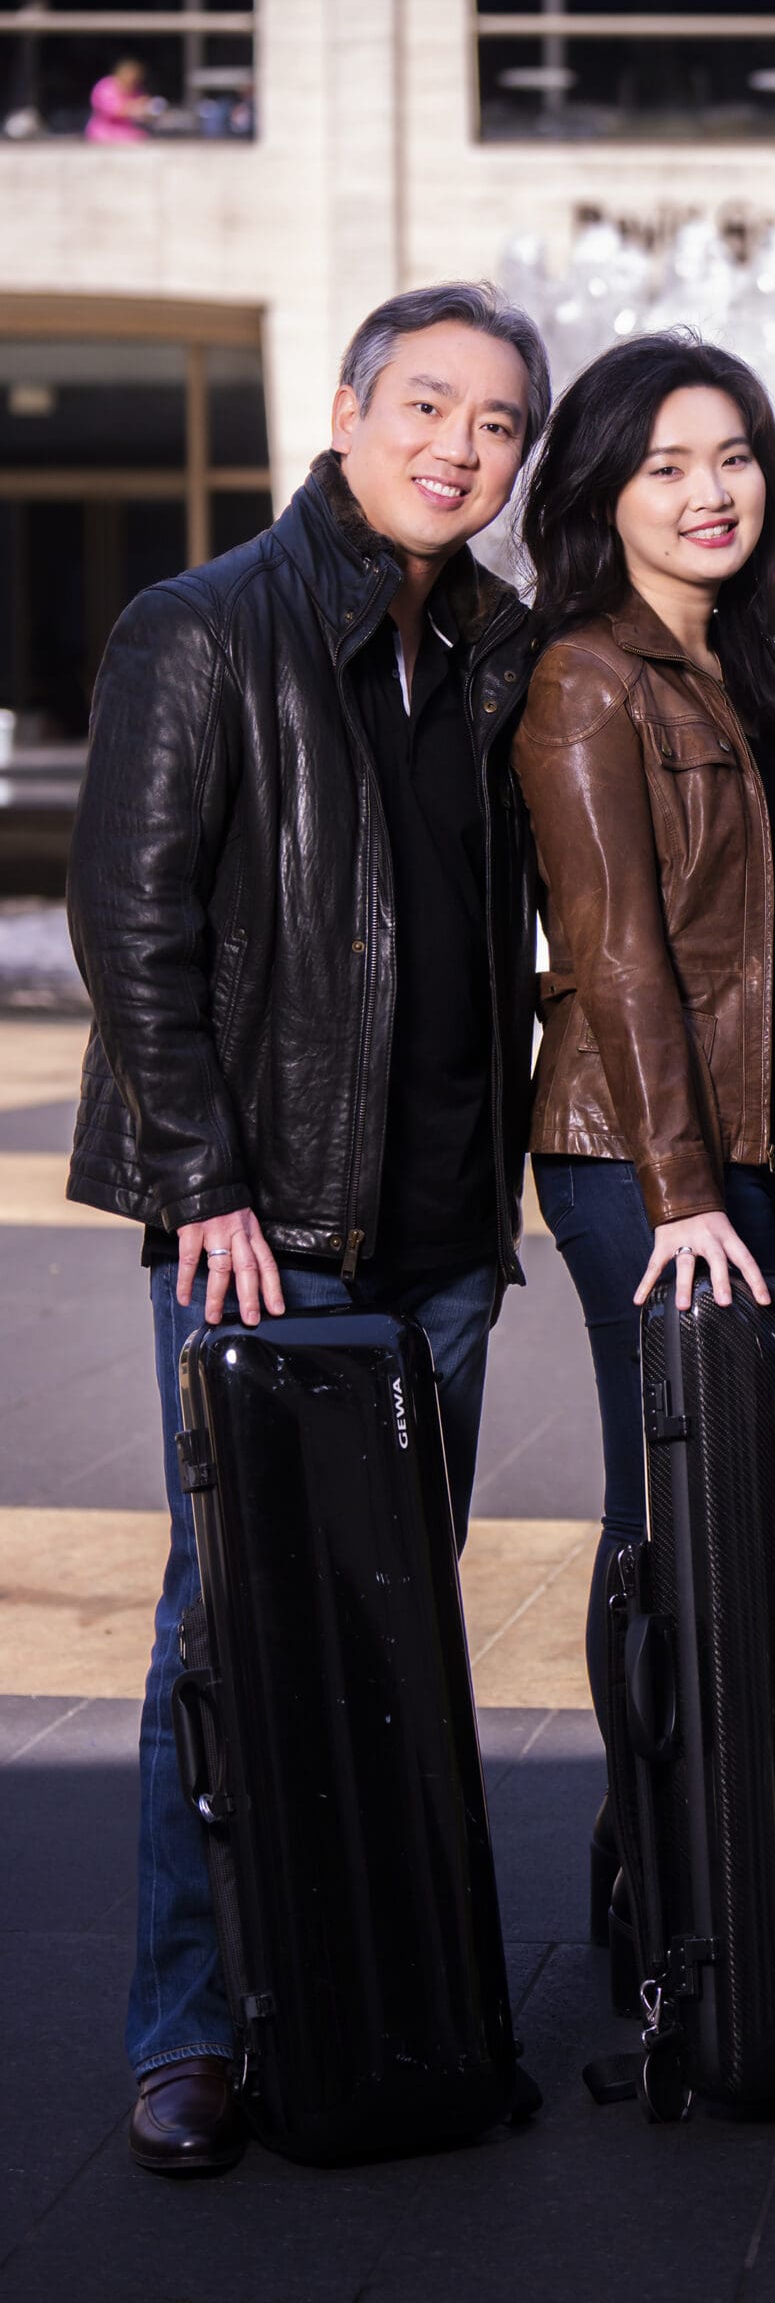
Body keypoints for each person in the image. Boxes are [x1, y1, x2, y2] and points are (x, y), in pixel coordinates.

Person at [66, 280, 551, 2174]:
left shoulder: (493, 648)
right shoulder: (202, 628)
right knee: (229, 1638)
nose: (458, 446)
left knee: (391, 1640)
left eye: (496, 423)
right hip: (270, 1227)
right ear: (347, 413)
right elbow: (135, 929)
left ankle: (363, 1998)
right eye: (425, 405)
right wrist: (204, 1183)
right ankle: (189, 2029)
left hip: (437, 1227)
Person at [512, 331, 775, 1928]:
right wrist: (678, 1193)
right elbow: (618, 952)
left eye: (734, 457)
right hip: (648, 1160)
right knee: (670, 1514)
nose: (713, 492)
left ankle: (746, 1837)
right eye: (667, 467)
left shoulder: (764, 672)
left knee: (766, 1520)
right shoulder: (587, 676)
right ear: (605, 494)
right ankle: (657, 1855)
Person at [86, 57, 158, 144]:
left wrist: (148, 110)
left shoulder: (135, 89)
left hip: (125, 130)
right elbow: (112, 110)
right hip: (104, 131)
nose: (133, 78)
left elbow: (141, 114)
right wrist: (134, 107)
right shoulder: (106, 86)